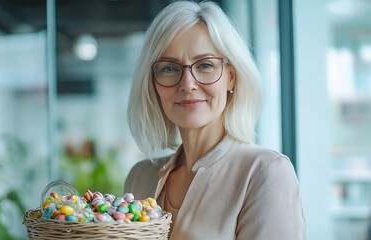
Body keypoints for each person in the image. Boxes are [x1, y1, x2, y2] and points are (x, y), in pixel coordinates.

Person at [124, 1, 306, 239]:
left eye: (205, 65)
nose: (187, 84)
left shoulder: (265, 171)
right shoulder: (140, 177)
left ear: (230, 77)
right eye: (169, 68)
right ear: (153, 83)